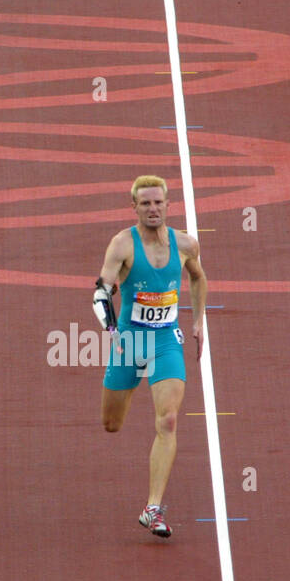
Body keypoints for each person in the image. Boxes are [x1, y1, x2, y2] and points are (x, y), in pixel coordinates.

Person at [92, 175, 206, 538]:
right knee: (112, 424)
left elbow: (199, 279)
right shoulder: (122, 244)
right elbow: (101, 292)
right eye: (145, 204)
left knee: (169, 420)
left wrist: (199, 321)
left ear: (168, 205)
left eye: (158, 203)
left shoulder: (186, 244)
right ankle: (121, 386)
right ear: (135, 207)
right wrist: (112, 332)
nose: (153, 209)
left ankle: (152, 507)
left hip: (166, 342)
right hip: (129, 340)